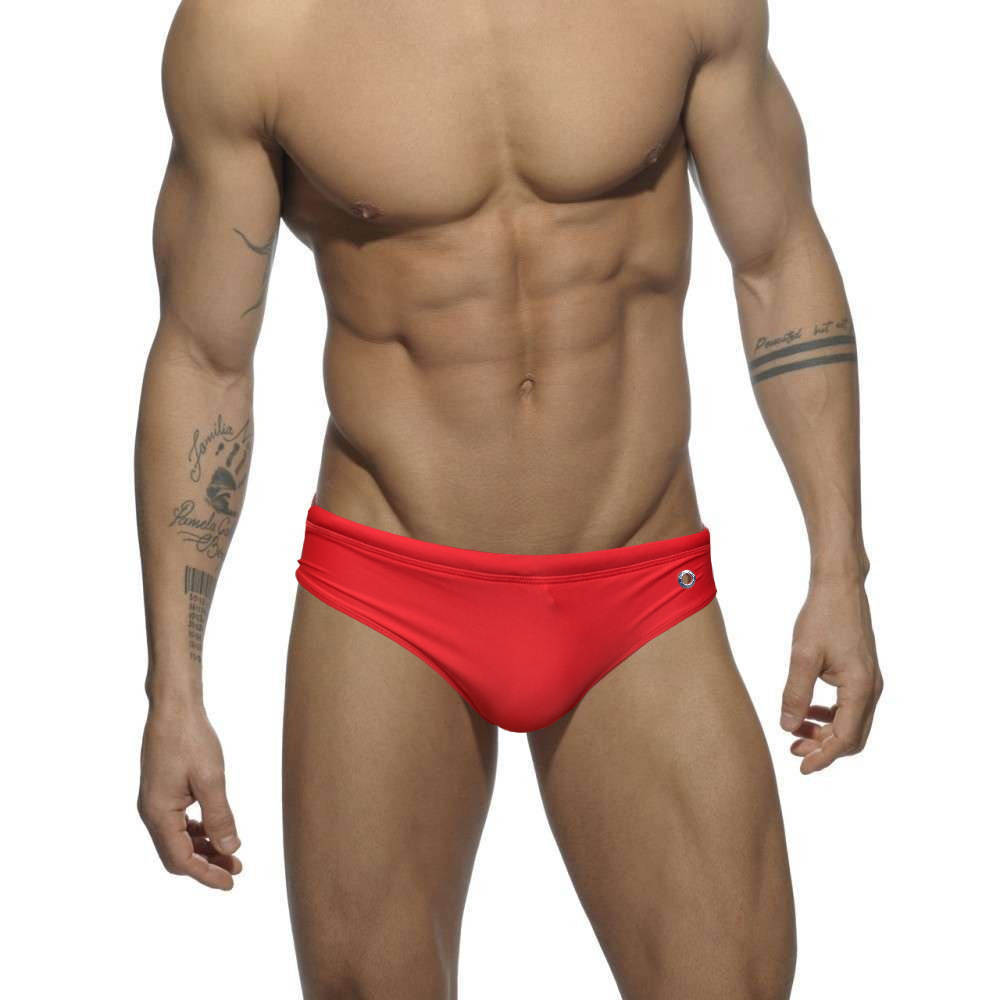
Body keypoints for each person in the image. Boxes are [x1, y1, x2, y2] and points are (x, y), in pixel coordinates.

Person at [134, 0, 883, 996]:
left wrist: (838, 567)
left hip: (638, 584)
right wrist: (175, 691)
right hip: (388, 592)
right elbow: (204, 358)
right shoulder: (257, 28)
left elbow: (776, 258)